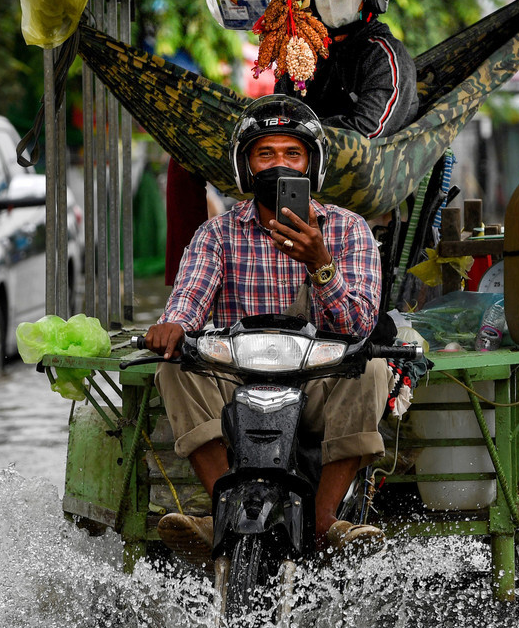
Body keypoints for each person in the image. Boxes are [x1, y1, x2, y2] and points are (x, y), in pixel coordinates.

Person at [144, 94, 391, 560]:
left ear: (312, 165)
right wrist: (172, 326)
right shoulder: (217, 233)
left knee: (372, 369)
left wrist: (320, 264)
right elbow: (188, 301)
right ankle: (224, 510)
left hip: (319, 381)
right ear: (247, 167)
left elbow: (360, 325)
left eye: (292, 154)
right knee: (174, 369)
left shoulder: (349, 230)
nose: (280, 164)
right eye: (266, 154)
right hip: (236, 383)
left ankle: (325, 522)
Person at [276, 0, 419, 138]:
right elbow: (277, 112)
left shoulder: (383, 56)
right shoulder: (303, 53)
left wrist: (297, 132)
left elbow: (367, 131)